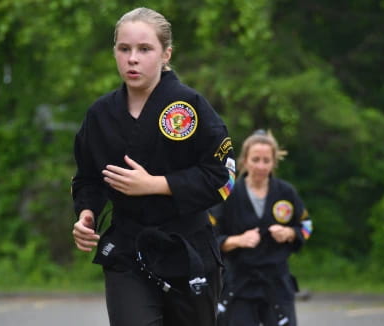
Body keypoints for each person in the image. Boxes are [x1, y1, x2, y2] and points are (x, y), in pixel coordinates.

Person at [71, 7, 236, 326]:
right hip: (128, 252)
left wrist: (159, 184)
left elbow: (225, 178)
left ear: (166, 54)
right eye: (124, 48)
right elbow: (88, 179)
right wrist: (86, 214)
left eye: (144, 49)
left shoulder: (190, 107)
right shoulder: (100, 115)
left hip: (189, 249)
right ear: (115, 52)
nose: (133, 58)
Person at [210, 130, 313, 326]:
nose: (261, 166)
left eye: (266, 160)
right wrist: (237, 240)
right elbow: (210, 238)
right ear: (244, 160)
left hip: (276, 284)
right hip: (239, 284)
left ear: (274, 162)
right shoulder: (229, 193)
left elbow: (306, 226)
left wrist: (290, 233)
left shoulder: (286, 192)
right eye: (255, 159)